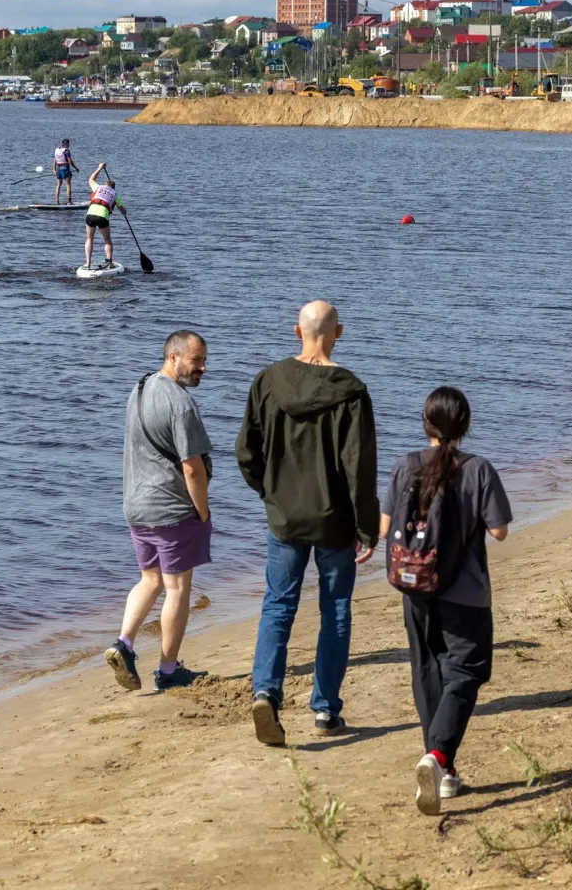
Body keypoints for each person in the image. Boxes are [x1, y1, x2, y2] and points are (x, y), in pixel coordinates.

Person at [237, 300, 380, 745]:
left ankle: (266, 690)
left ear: (296, 332)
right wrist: (366, 526)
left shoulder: (268, 380)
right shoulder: (351, 391)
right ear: (338, 332)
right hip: (335, 520)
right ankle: (325, 710)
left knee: (278, 604)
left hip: (284, 519)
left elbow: (247, 452)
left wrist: (271, 495)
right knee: (334, 609)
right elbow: (359, 468)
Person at [381, 386, 512, 816]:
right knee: (467, 671)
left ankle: (443, 767)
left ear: (426, 425)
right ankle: (438, 757)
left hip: (414, 587)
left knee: (427, 670)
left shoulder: (404, 465)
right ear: (465, 426)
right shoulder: (478, 469)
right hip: (466, 591)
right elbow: (499, 531)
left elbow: (385, 528)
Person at [105, 330, 213, 693]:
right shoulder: (180, 404)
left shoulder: (139, 388)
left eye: (203, 360)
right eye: (196, 360)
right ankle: (168, 669)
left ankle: (124, 643)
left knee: (149, 579)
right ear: (173, 357)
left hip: (136, 505)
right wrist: (202, 511)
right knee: (178, 587)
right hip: (171, 508)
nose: (203, 368)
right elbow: (192, 468)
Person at [83, 163, 125, 270]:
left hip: (90, 214)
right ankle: (109, 263)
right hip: (102, 217)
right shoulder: (115, 195)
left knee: (89, 238)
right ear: (113, 187)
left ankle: (87, 263)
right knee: (107, 240)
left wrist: (100, 168)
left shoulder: (98, 188)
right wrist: (124, 213)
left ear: (105, 184)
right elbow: (123, 211)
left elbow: (91, 179)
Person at [52, 138, 76, 205]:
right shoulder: (66, 151)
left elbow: (55, 161)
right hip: (65, 169)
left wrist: (54, 169)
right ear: (66, 144)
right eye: (68, 144)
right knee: (68, 185)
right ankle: (69, 201)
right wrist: (76, 168)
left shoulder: (57, 150)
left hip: (59, 169)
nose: (68, 145)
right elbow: (70, 161)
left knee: (58, 185)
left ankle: (57, 202)